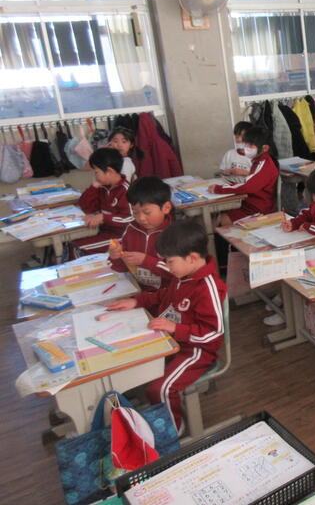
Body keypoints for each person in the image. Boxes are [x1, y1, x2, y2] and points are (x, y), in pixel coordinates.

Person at [106, 219, 226, 435]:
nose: (166, 267)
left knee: (160, 388)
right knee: (129, 360)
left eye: (169, 262)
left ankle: (173, 431)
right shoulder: (183, 274)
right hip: (171, 340)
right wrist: (136, 301)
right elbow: (164, 295)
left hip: (196, 350)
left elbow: (213, 333)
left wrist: (175, 328)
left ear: (192, 258)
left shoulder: (208, 287)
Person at [109, 176, 174, 292]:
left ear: (166, 208)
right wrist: (116, 257)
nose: (141, 218)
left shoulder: (175, 234)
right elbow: (122, 268)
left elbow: (177, 273)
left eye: (147, 212)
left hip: (167, 294)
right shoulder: (131, 229)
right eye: (135, 212)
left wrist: (145, 261)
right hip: (138, 291)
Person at [73, 148, 134, 255]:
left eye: (96, 172)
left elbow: (131, 219)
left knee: (77, 248)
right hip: (104, 232)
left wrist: (103, 217)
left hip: (122, 237)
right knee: (70, 243)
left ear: (109, 171)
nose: (95, 176)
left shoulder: (126, 190)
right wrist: (93, 187)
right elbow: (85, 206)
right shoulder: (102, 188)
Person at [213, 127, 279, 226]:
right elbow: (248, 183)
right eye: (246, 144)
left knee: (217, 221)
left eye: (250, 145)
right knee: (215, 217)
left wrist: (218, 189)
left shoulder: (264, 165)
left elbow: (248, 186)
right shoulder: (258, 161)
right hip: (248, 203)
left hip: (258, 210)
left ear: (265, 148)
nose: (246, 148)